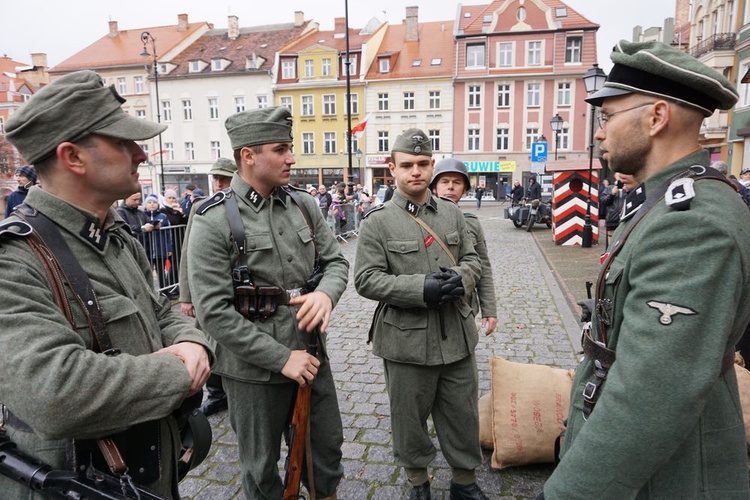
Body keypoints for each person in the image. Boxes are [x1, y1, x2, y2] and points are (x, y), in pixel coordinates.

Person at [541, 40, 750, 499]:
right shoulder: (669, 198)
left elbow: (650, 394)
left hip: (660, 474)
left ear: (656, 118)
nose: (599, 133)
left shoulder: (693, 224)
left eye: (607, 116)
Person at [0, 69, 212, 499]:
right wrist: (180, 373)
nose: (141, 154)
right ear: (73, 158)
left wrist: (194, 344)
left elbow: (160, 311)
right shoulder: (14, 258)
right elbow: (55, 393)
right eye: (122, 142)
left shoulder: (114, 235)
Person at [188, 106, 349, 499]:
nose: (292, 158)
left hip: (311, 353)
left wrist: (326, 293)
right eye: (281, 149)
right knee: (260, 470)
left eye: (290, 148)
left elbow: (336, 262)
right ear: (248, 155)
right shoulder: (212, 219)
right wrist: (281, 359)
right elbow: (213, 312)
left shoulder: (303, 205)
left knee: (325, 455)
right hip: (254, 371)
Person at [354, 129, 485, 500]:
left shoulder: (452, 214)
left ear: (432, 164)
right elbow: (365, 280)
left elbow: (474, 259)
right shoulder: (376, 222)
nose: (416, 171)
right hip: (406, 340)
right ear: (391, 168)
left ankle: (463, 481)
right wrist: (419, 289)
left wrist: (461, 278)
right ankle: (418, 482)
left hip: (456, 335)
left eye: (423, 163)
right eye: (407, 165)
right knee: (409, 418)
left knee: (462, 412)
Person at [179, 157, 237, 416]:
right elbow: (187, 254)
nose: (218, 183)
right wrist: (186, 296)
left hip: (238, 292)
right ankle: (216, 394)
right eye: (215, 178)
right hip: (207, 290)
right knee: (209, 341)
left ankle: (236, 390)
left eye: (223, 178)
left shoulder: (244, 206)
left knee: (235, 343)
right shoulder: (201, 207)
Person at [431, 158, 498, 336]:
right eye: (444, 182)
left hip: (464, 305)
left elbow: (483, 266)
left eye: (457, 182)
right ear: (434, 187)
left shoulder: (471, 223)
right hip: (428, 305)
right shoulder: (421, 220)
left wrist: (489, 309)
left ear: (465, 189)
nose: (450, 187)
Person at [143, 193, 174, 296]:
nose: (152, 204)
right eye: (149, 202)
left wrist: (169, 248)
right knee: (147, 272)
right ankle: (148, 292)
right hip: (147, 250)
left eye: (154, 202)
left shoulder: (163, 216)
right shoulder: (142, 216)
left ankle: (165, 291)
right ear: (145, 204)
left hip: (160, 249)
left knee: (161, 272)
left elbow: (168, 233)